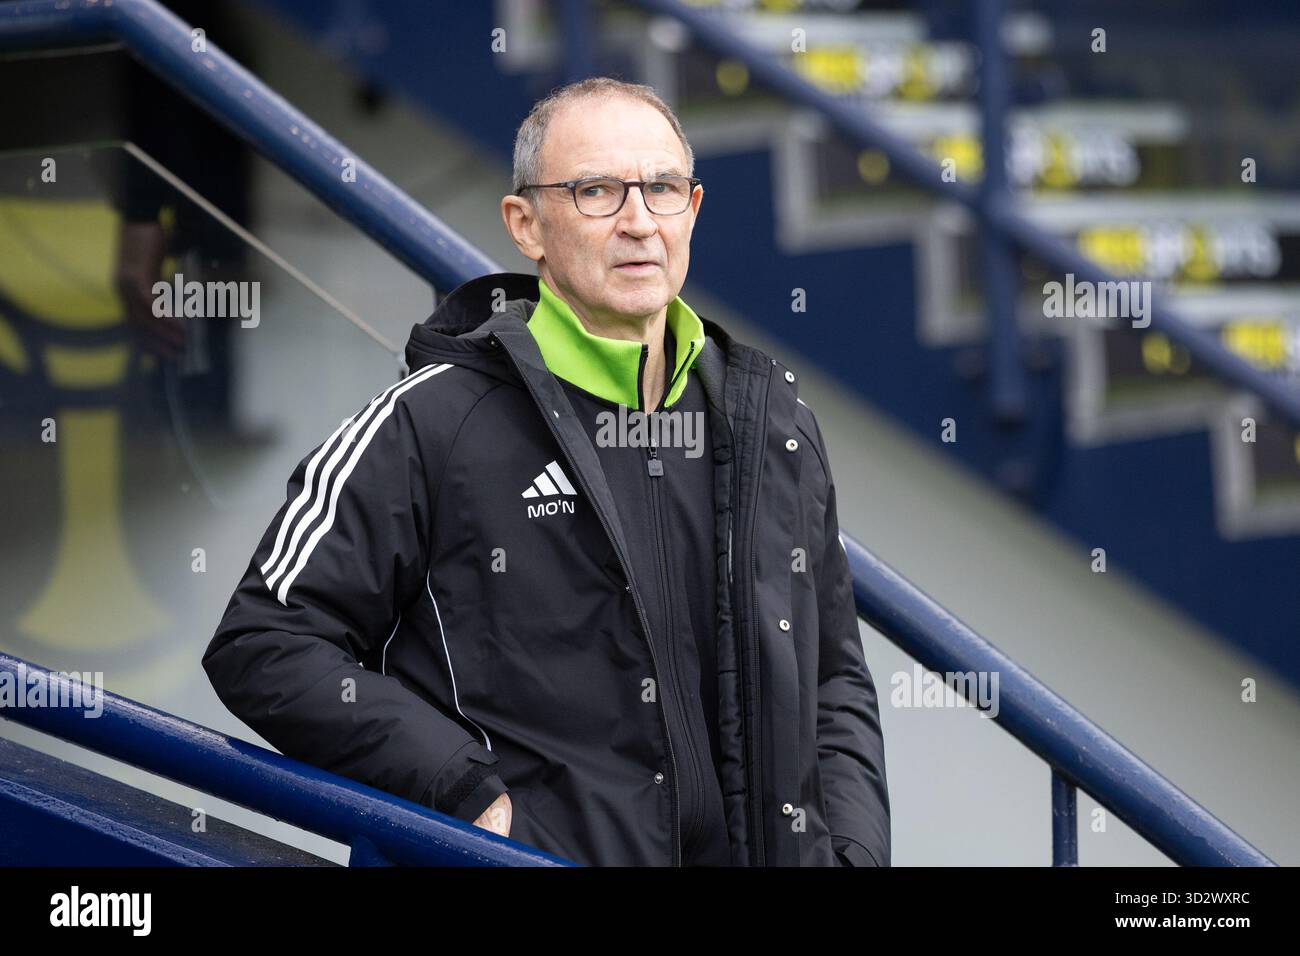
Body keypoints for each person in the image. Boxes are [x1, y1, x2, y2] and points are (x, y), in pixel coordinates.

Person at [203, 77, 890, 867]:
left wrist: (853, 854)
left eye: (662, 189)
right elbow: (265, 640)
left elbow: (833, 679)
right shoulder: (433, 419)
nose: (639, 221)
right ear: (525, 224)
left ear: (692, 209)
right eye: (596, 191)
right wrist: (461, 790)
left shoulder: (772, 425)